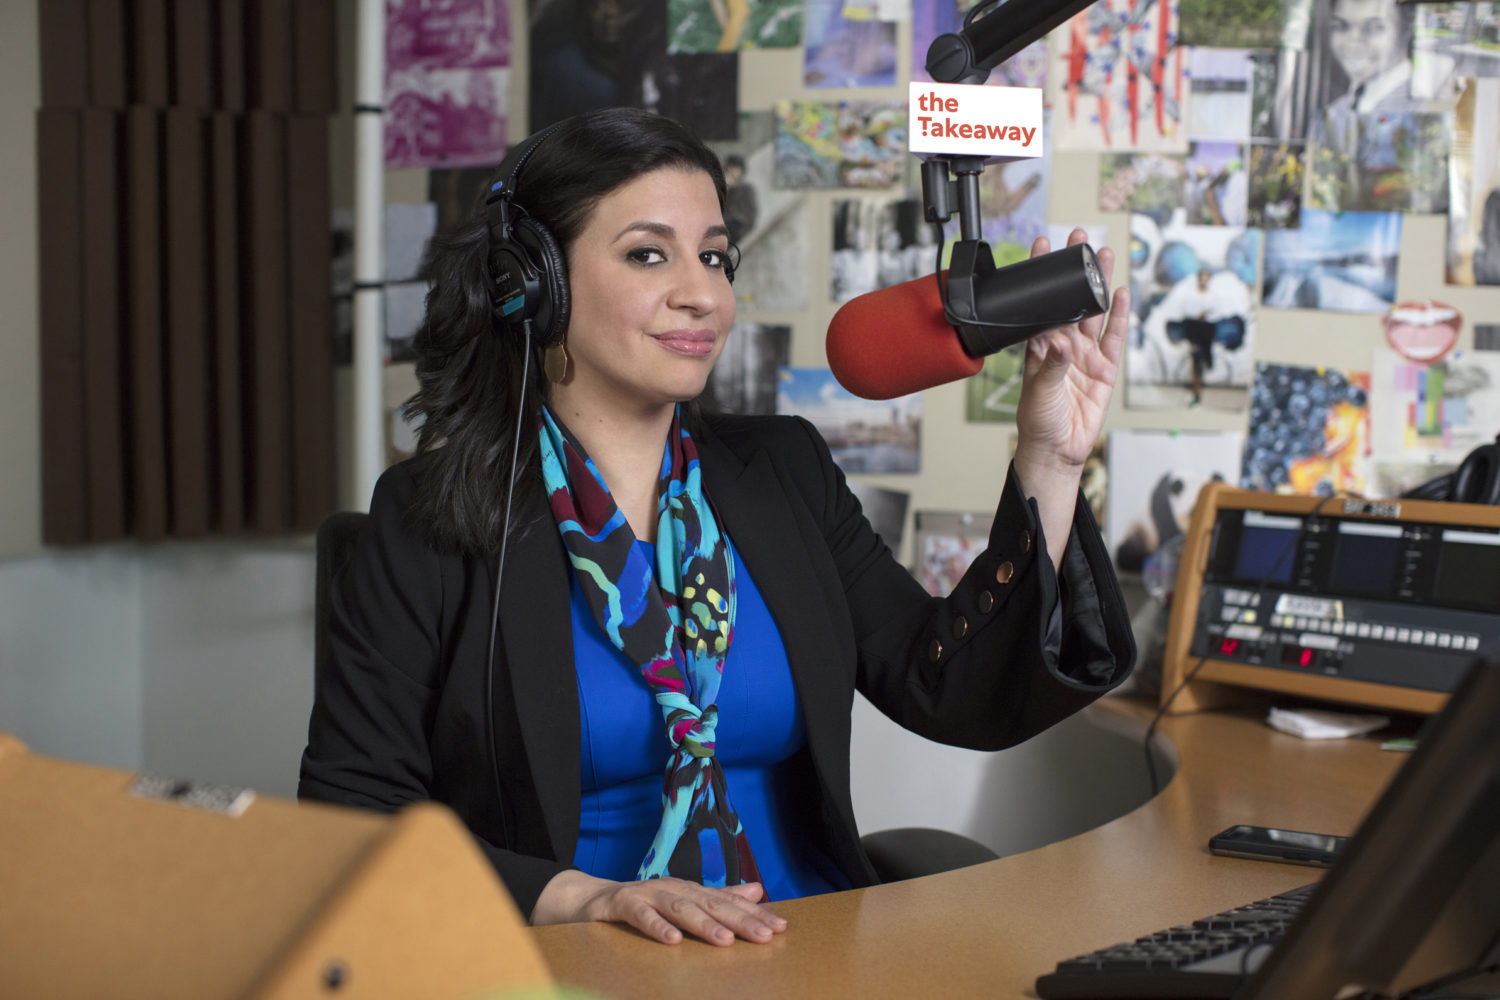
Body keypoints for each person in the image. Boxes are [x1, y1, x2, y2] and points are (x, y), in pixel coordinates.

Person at [299, 108, 1136, 950]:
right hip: (579, 957)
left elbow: (949, 691)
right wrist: (581, 899)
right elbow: (352, 814)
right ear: (534, 285)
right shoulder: (429, 515)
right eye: (647, 253)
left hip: (809, 944)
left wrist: (1049, 462)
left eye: (713, 255)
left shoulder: (783, 470)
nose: (702, 292)